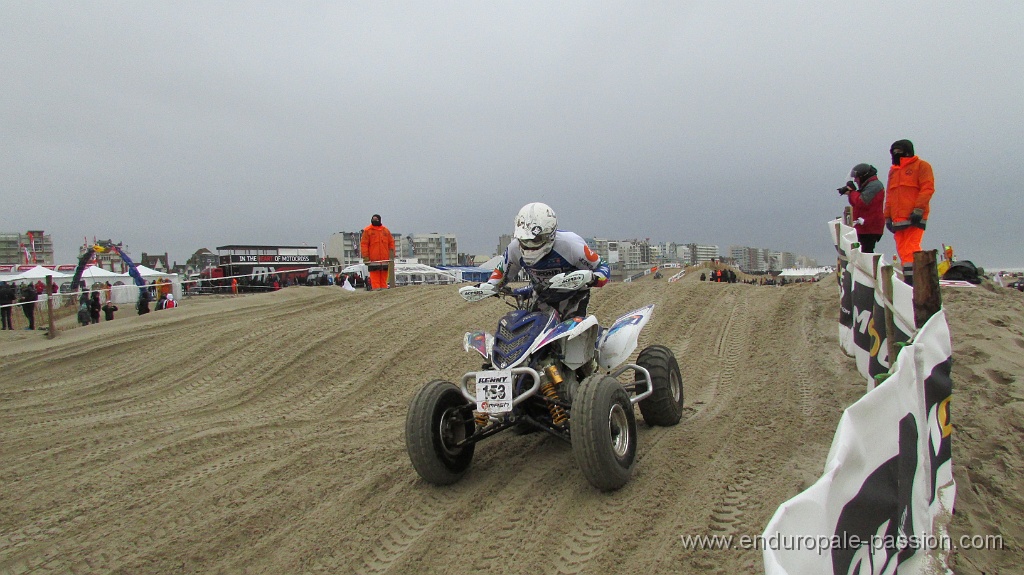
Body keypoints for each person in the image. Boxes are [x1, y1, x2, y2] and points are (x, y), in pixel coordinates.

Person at [485, 202, 609, 318]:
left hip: (573, 297)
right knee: (531, 333)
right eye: (524, 240)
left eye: (535, 240)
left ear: (550, 235)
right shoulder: (514, 248)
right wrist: (488, 287)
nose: (529, 245)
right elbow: (501, 274)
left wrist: (593, 278)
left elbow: (602, 267)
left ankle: (594, 339)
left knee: (573, 333)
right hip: (541, 297)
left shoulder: (570, 245)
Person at [884, 139, 935, 285]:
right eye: (893, 152)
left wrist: (918, 209)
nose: (896, 155)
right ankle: (910, 279)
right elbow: (890, 196)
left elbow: (927, 188)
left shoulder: (922, 166)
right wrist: (887, 216)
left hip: (915, 216)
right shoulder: (893, 171)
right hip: (897, 219)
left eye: (899, 151)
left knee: (912, 247)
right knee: (902, 250)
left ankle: (915, 279)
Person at [839, 163, 886, 253]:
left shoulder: (874, 186)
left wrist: (852, 192)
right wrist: (851, 193)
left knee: (865, 254)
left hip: (869, 227)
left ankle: (869, 266)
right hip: (865, 226)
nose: (855, 180)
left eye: (857, 178)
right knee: (860, 254)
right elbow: (856, 203)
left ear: (863, 176)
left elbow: (861, 202)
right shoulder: (869, 185)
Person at [361, 213, 395, 290]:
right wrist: (366, 257)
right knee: (375, 280)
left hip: (385, 260)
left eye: (376, 219)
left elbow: (391, 243)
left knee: (384, 280)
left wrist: (392, 256)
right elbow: (364, 244)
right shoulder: (367, 231)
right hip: (373, 260)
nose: (374, 221)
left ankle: (384, 294)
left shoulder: (386, 231)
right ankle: (376, 294)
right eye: (373, 219)